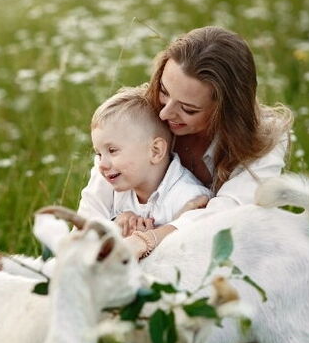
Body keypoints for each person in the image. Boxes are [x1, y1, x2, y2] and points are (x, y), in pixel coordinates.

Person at [79, 26, 292, 258]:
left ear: (225, 112)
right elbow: (95, 202)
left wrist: (149, 239)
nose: (164, 113)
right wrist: (116, 224)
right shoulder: (146, 111)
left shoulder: (263, 140)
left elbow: (228, 216)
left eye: (188, 109)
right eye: (164, 90)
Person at [81, 86, 211, 246]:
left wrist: (147, 241)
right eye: (99, 154)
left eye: (112, 150)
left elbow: (189, 254)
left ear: (155, 151)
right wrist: (116, 225)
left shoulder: (189, 198)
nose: (101, 164)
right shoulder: (120, 188)